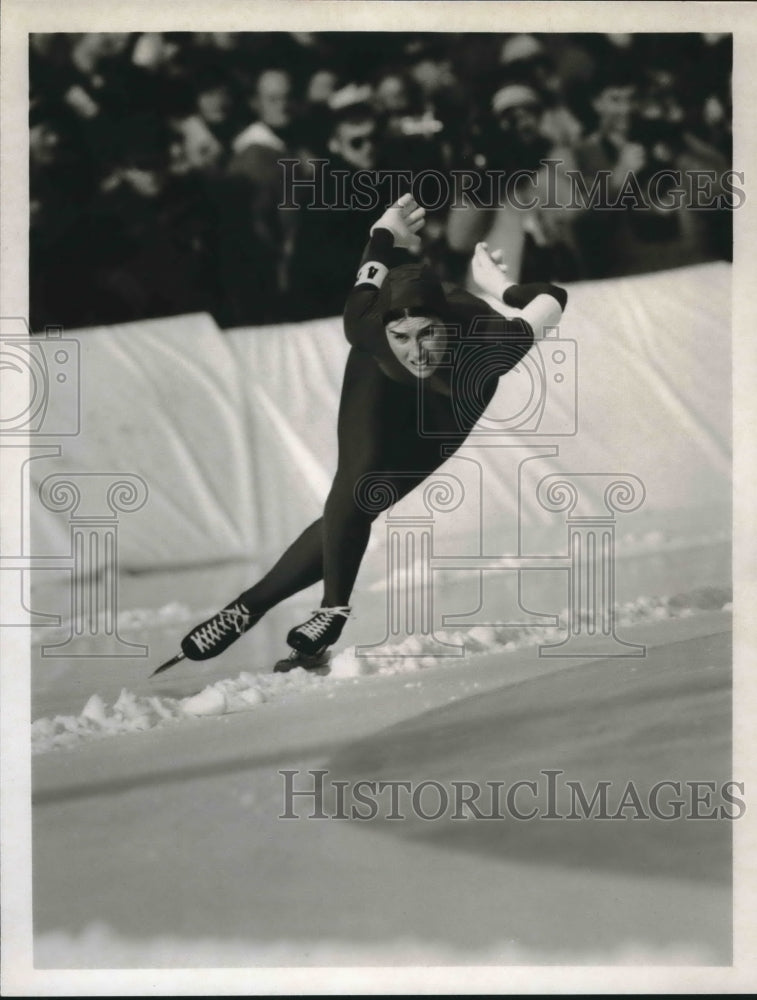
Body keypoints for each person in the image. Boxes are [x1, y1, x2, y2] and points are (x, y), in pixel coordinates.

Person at [154, 194, 567, 676]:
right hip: (381, 376)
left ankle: (263, 604)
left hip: (453, 397)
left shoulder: (491, 344)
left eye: (428, 334)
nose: (417, 350)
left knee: (367, 498)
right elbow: (377, 256)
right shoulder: (365, 324)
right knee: (356, 480)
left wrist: (502, 287)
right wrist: (385, 231)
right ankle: (309, 609)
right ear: (385, 330)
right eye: (404, 337)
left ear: (448, 327)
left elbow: (553, 299)